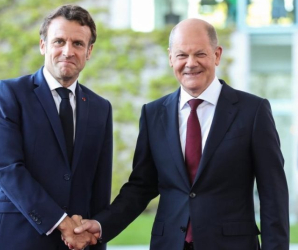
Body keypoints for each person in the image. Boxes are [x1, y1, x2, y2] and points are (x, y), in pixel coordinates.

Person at [71, 18, 289, 250]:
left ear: (217, 55)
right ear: (170, 58)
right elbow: (141, 187)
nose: (190, 63)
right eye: (182, 55)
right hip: (169, 244)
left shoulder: (252, 111)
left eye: (200, 54)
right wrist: (102, 224)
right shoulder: (153, 113)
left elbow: (273, 194)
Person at [0, 4, 112, 250]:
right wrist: (61, 222)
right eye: (59, 41)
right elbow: (8, 168)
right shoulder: (7, 94)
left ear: (89, 51)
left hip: (75, 245)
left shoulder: (101, 108)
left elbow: (99, 190)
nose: (68, 51)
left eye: (78, 44)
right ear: (43, 45)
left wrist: (94, 242)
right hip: (11, 239)